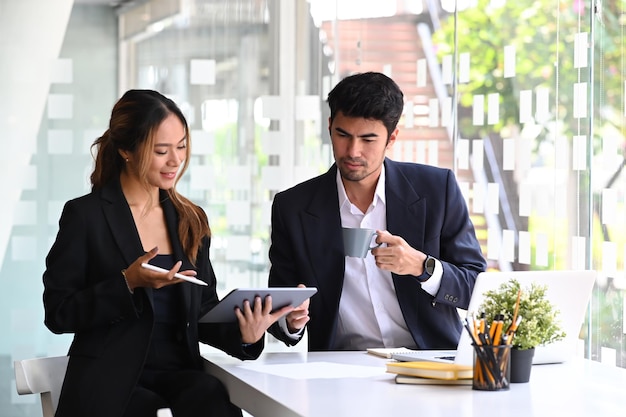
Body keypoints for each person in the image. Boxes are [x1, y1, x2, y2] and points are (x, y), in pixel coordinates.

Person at [43, 89, 292, 417]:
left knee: (213, 400)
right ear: (126, 150)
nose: (176, 161)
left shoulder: (191, 219)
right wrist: (127, 282)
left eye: (182, 147)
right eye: (161, 150)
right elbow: (58, 313)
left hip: (181, 375)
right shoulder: (86, 216)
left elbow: (201, 310)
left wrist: (245, 334)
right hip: (110, 380)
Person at [267, 72, 486, 352]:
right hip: (341, 371)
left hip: (430, 362)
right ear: (329, 126)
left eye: (368, 139)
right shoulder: (293, 207)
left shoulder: (436, 190)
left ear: (391, 137)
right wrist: (291, 321)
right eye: (342, 135)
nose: (353, 151)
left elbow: (477, 289)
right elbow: (279, 311)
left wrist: (422, 266)